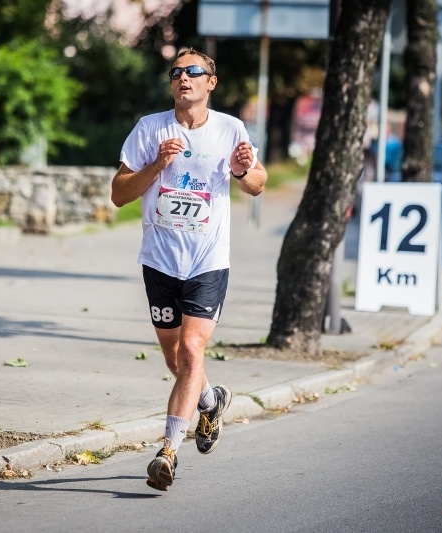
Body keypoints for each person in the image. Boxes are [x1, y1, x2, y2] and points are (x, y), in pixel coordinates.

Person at [111, 48, 267, 491]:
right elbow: (119, 194)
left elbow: (258, 182)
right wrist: (158, 164)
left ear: (210, 83)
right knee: (175, 358)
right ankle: (212, 400)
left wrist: (242, 173)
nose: (183, 77)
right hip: (160, 261)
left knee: (193, 352)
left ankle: (167, 452)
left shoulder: (230, 128)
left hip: (207, 262)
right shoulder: (149, 129)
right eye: (176, 72)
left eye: (193, 71)